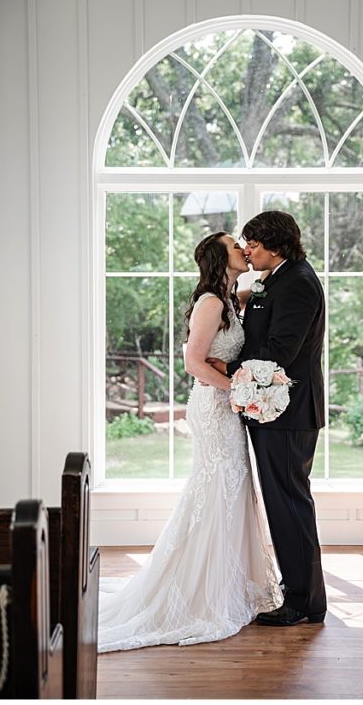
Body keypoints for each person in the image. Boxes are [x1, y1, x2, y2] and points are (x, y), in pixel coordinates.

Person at [97, 232, 282, 651]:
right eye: (236, 245)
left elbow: (263, 289)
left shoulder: (232, 298)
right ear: (220, 257)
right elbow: (193, 362)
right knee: (216, 489)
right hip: (213, 408)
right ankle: (200, 593)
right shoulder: (211, 303)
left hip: (228, 407)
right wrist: (239, 392)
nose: (244, 248)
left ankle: (230, 582)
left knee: (232, 491)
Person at [207, 210, 327, 626]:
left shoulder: (298, 283)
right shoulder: (279, 278)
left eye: (253, 244)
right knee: (283, 502)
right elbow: (263, 329)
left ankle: (302, 602)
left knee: (288, 503)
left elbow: (280, 351)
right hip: (274, 412)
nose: (248, 250)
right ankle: (304, 596)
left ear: (275, 245)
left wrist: (226, 366)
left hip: (289, 414)